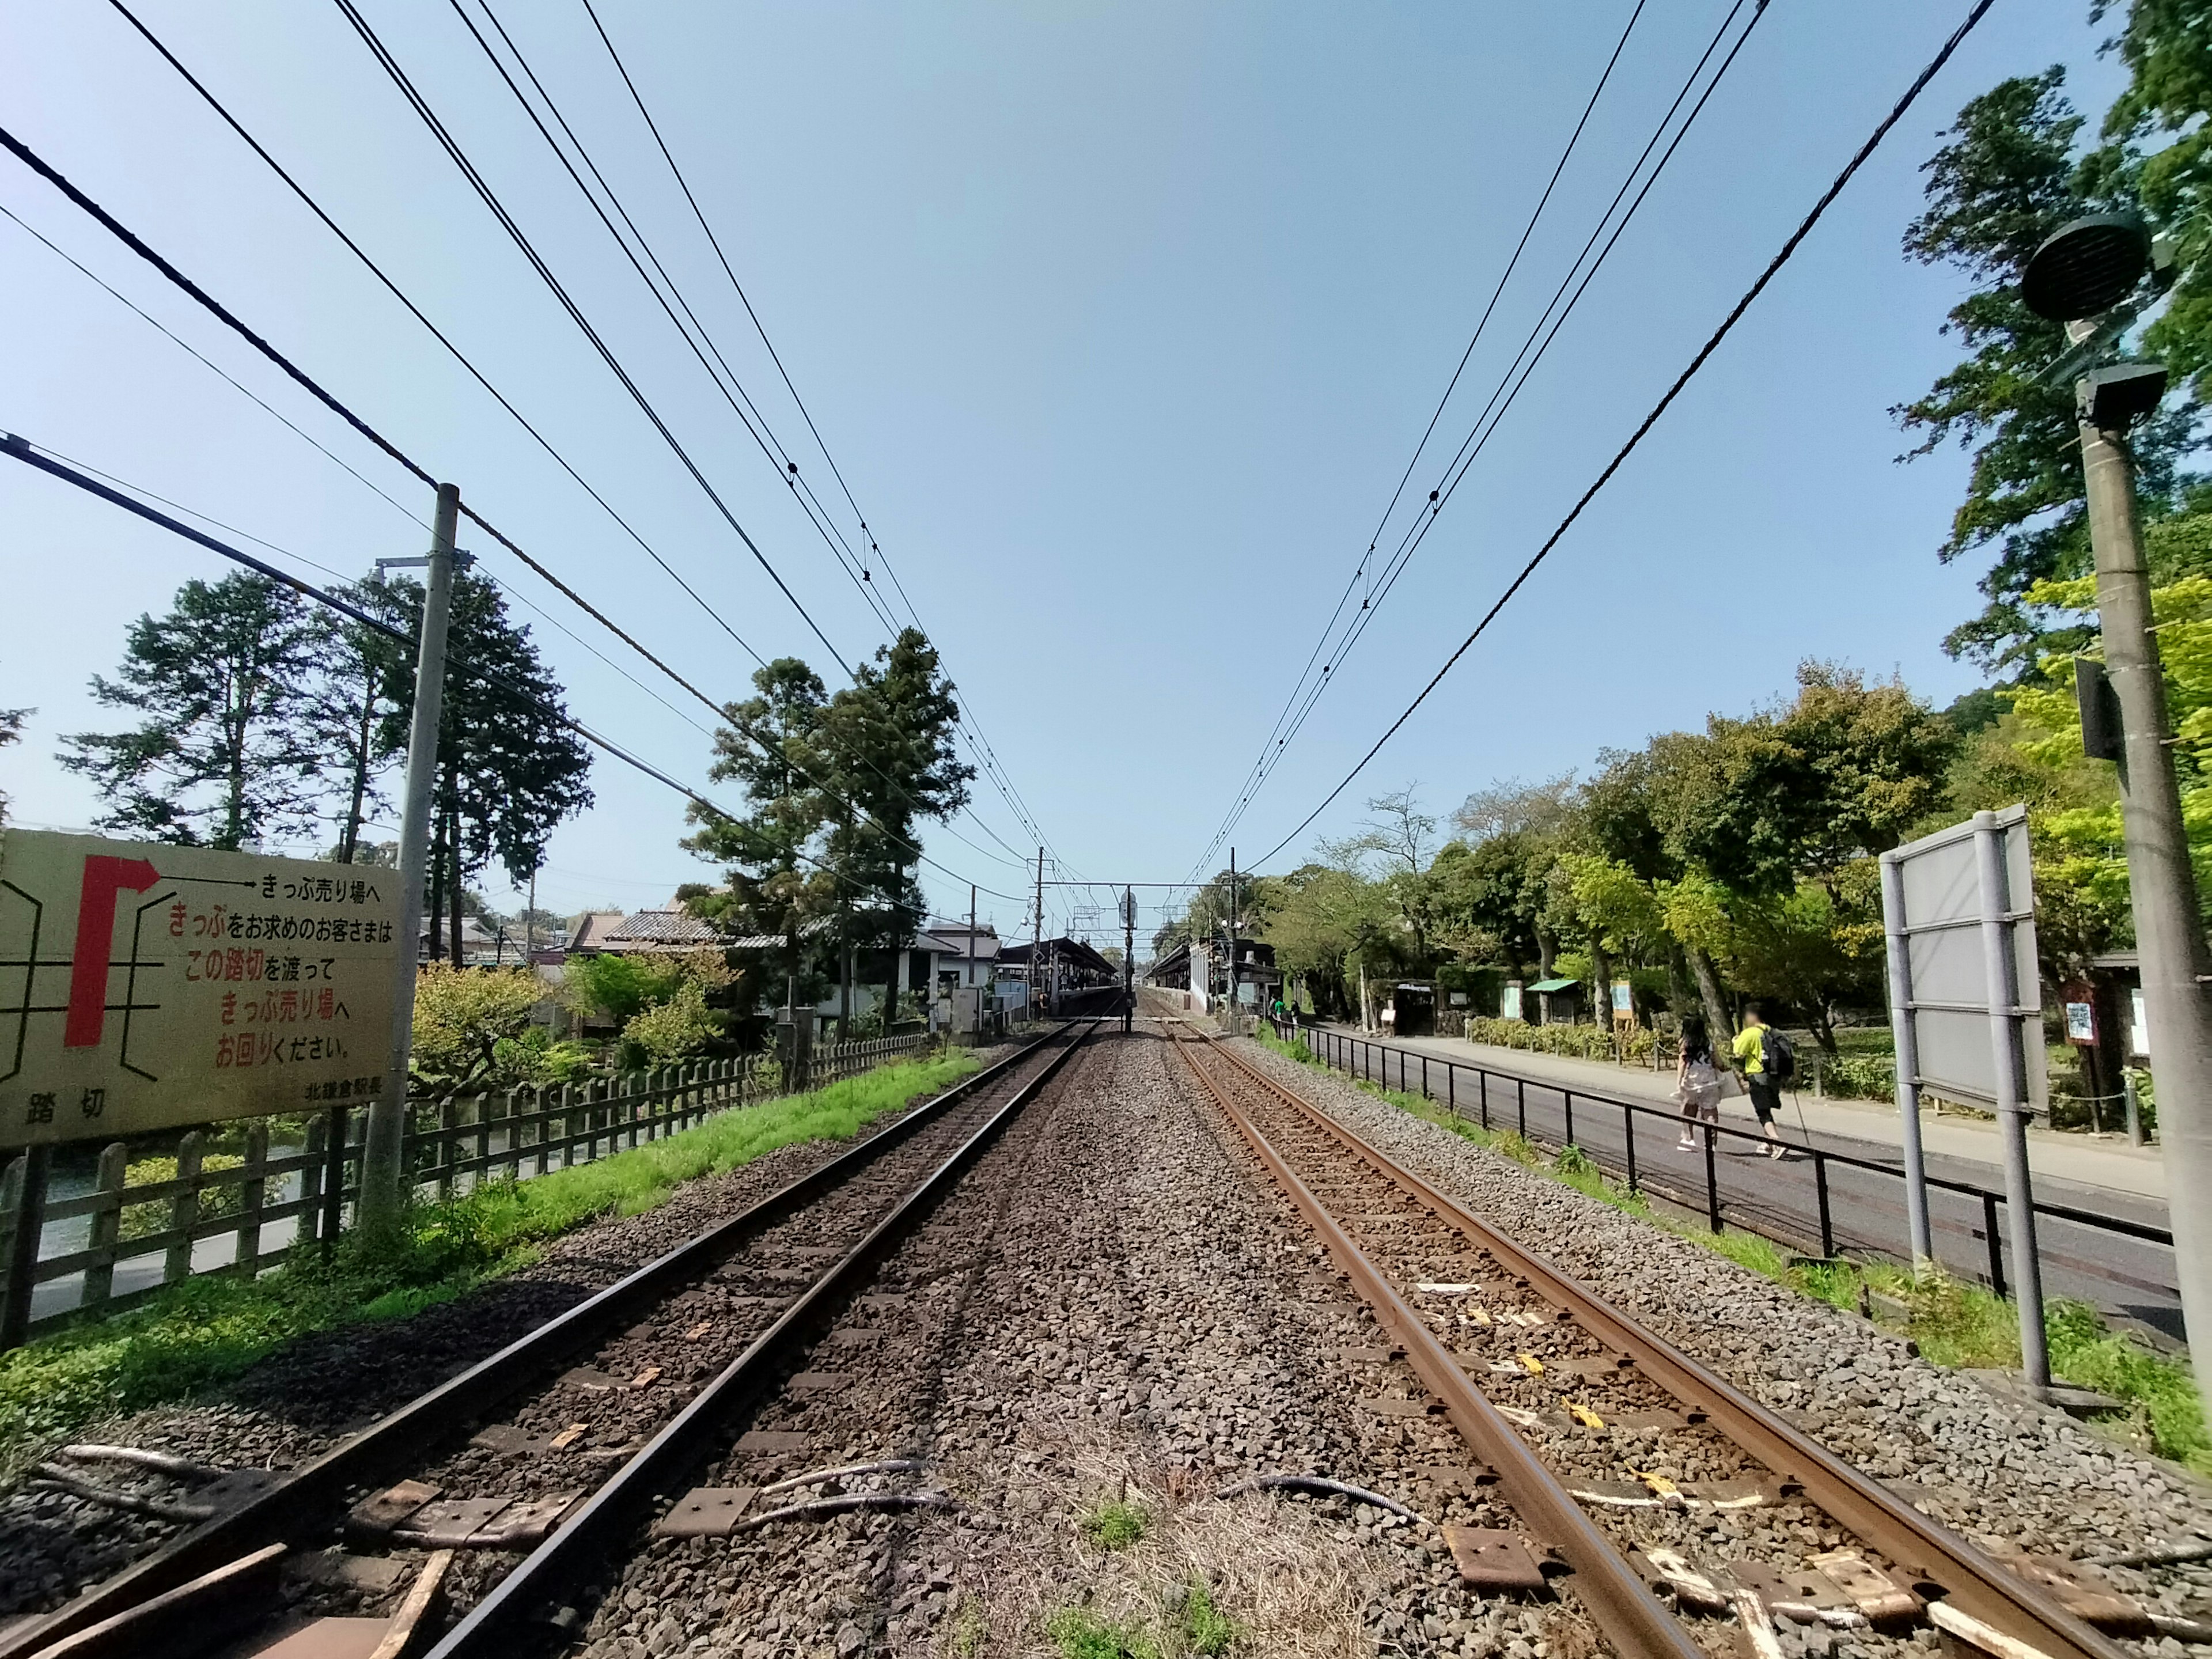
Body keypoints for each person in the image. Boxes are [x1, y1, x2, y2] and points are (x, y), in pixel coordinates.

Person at [1732, 1003, 1789, 1158]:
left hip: (1757, 1075)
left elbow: (1738, 1053)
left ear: (1753, 1016)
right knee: (1767, 1108)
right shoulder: (1773, 1032)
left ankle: (1777, 1143)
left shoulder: (1750, 1033)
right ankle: (1767, 1144)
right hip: (1775, 1075)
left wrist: (1735, 1041)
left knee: (1762, 1111)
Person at [1673, 1018, 1722, 1150]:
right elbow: (1717, 1061)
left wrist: (1679, 1082)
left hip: (1691, 1081)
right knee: (1710, 1111)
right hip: (1709, 1081)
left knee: (1688, 1110)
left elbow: (1682, 1063)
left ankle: (1688, 1140)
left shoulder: (1685, 1043)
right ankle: (1710, 1143)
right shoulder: (1709, 1043)